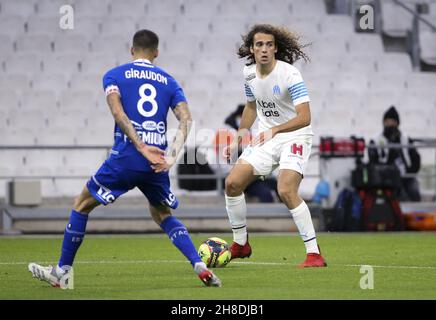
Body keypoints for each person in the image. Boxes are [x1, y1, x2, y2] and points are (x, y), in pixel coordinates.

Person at [28, 29, 221, 288]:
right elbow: (186, 119)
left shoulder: (114, 75)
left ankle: (63, 273)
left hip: (128, 156)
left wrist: (140, 146)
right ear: (156, 53)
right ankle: (199, 265)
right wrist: (171, 158)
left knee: (82, 203)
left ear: (132, 50)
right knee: (161, 212)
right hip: (158, 161)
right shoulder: (170, 81)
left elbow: (117, 111)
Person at [223, 24, 327, 268]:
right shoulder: (248, 73)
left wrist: (275, 129)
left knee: (286, 190)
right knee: (232, 183)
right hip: (266, 138)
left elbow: (305, 117)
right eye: (259, 44)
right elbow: (251, 106)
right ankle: (241, 244)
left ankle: (314, 254)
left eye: (269, 44)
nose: (264, 49)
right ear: (252, 49)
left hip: (296, 136)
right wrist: (240, 135)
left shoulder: (290, 74)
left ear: (276, 48)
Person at [206, 104, 278, 203]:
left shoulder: (246, 133)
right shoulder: (225, 132)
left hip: (248, 175)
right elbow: (222, 163)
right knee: (265, 193)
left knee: (276, 184)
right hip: (235, 177)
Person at [368, 106, 421, 202]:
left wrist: (410, 172)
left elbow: (416, 158)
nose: (389, 124)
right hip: (386, 178)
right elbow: (373, 161)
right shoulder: (375, 140)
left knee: (414, 192)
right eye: (387, 122)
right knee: (400, 196)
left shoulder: (405, 139)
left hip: (406, 176)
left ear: (397, 123)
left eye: (392, 122)